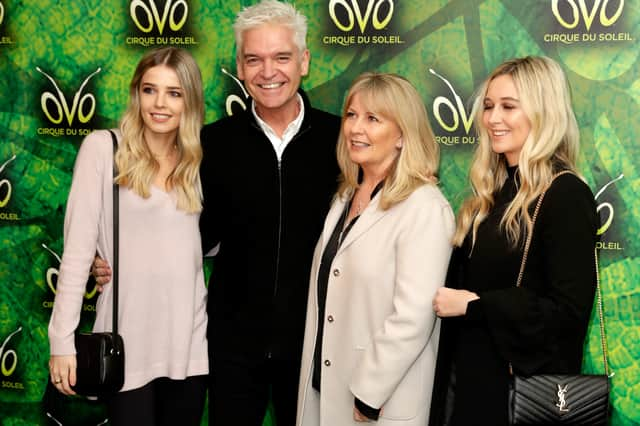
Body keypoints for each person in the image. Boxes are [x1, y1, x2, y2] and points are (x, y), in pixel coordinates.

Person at [429, 56, 599, 426]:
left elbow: (568, 313)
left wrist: (475, 306)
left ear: (542, 112)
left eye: (508, 107)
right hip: (473, 386)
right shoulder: (493, 191)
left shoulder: (565, 193)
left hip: (519, 397)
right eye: (489, 106)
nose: (492, 118)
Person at [48, 47, 208, 426]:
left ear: (190, 100)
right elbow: (76, 252)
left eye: (174, 93)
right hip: (126, 342)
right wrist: (61, 341)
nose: (159, 104)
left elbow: (207, 239)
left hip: (189, 343)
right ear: (136, 93)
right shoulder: (104, 149)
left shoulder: (198, 160)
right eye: (150, 90)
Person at [296, 72, 455, 426]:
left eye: (373, 119)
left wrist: (369, 392)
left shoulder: (424, 207)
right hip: (327, 387)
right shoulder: (344, 197)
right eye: (352, 115)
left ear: (402, 135)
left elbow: (413, 316)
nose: (355, 128)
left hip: (377, 402)